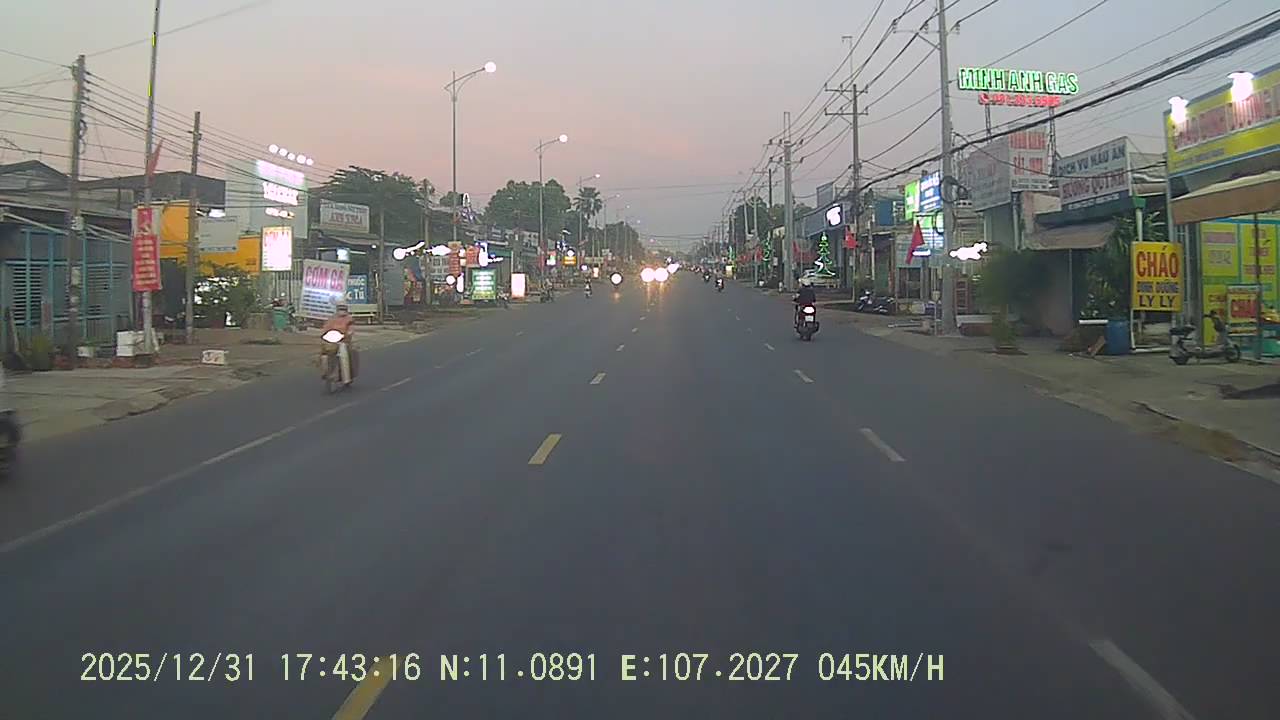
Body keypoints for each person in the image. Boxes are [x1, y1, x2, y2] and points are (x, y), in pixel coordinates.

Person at [321, 302, 358, 379]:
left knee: (351, 353)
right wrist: (325, 334)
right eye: (340, 309)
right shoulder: (332, 319)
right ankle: (325, 371)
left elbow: (351, 328)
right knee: (325, 352)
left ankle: (349, 373)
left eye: (343, 309)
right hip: (332, 340)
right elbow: (326, 328)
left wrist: (349, 333)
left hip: (344, 340)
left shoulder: (349, 319)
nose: (342, 311)